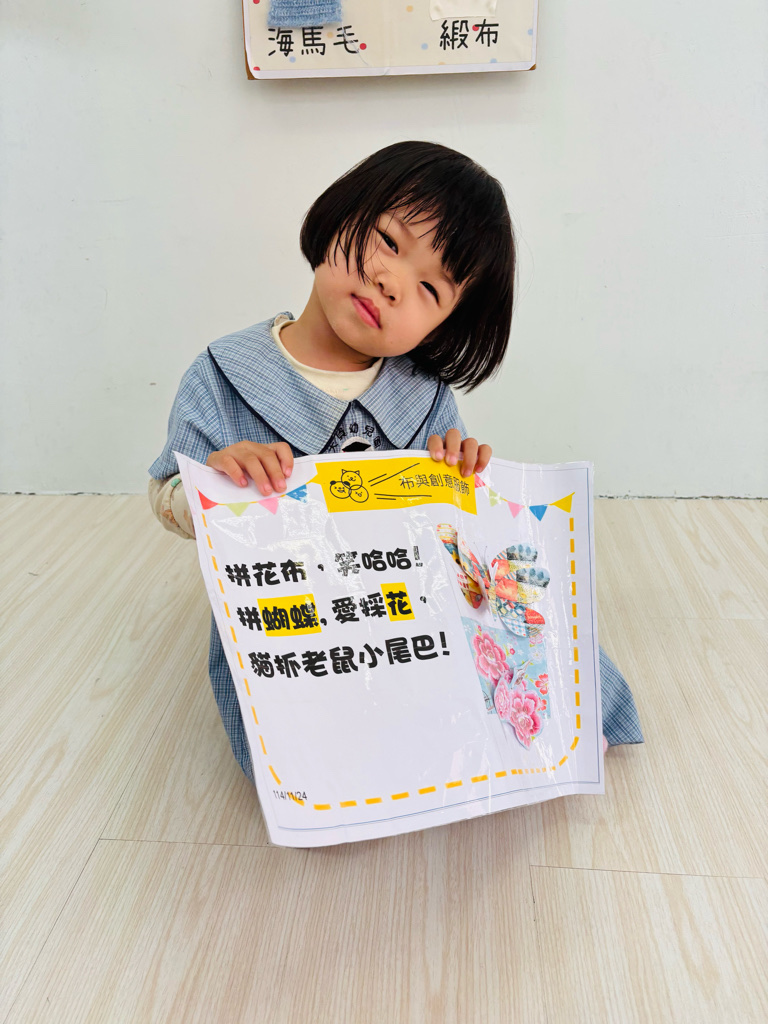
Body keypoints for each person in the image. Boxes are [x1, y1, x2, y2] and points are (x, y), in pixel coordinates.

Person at [149, 141, 642, 782]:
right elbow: (165, 493)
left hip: (405, 612)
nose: (391, 282)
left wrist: (460, 473)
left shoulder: (423, 394)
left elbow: (453, 534)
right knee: (312, 732)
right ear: (340, 215)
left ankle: (553, 726)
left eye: (430, 289)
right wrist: (213, 488)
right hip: (298, 625)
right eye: (387, 240)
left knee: (510, 624)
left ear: (442, 327)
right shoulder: (222, 374)